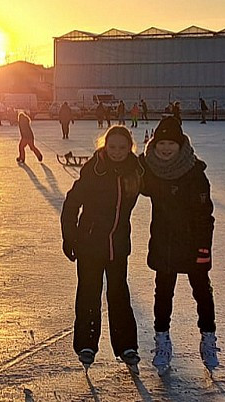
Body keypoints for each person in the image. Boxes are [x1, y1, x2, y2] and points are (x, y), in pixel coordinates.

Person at [139, 117, 219, 370]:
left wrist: (204, 249)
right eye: (161, 142)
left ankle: (208, 338)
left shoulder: (195, 174)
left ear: (181, 144)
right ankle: (162, 340)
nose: (165, 148)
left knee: (202, 292)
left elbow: (205, 215)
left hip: (193, 243)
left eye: (171, 143)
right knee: (163, 294)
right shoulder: (150, 170)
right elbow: (129, 177)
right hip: (164, 242)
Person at [61, 125, 145, 367]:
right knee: (89, 293)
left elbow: (160, 185)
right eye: (112, 147)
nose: (117, 152)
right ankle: (86, 344)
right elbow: (71, 203)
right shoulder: (93, 170)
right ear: (104, 146)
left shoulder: (136, 171)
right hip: (89, 244)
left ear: (130, 148)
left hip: (118, 246)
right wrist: (70, 236)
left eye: (122, 147)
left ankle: (127, 346)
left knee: (119, 294)